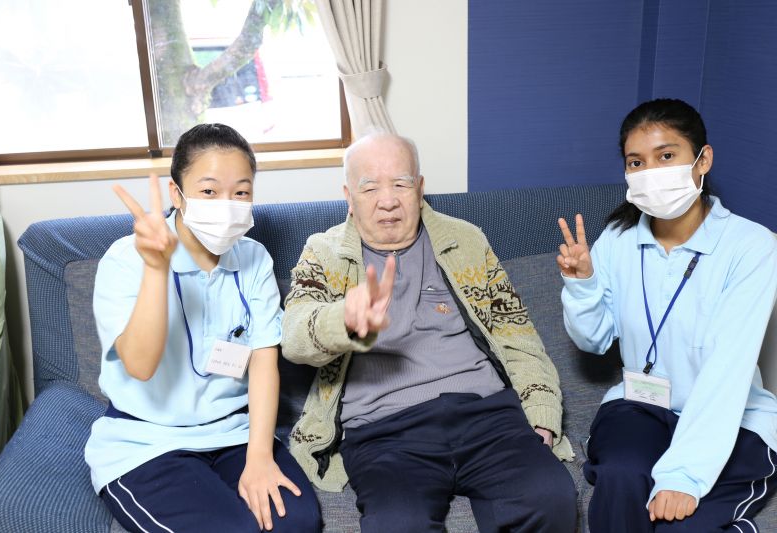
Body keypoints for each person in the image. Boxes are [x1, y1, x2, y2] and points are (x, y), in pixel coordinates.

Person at [282, 131, 577, 532]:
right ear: (348, 196)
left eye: (401, 184)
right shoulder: (324, 252)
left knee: (551, 496)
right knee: (397, 524)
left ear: (420, 188)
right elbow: (294, 337)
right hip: (385, 430)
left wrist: (541, 414)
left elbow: (517, 335)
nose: (388, 200)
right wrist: (343, 320)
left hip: (486, 417)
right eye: (370, 188)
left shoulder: (465, 240)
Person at [84, 123, 321, 533]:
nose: (227, 205)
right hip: (148, 443)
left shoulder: (254, 259)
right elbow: (139, 366)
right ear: (177, 195)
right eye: (209, 191)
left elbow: (264, 363)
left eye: (241, 192)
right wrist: (156, 268)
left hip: (233, 432)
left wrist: (259, 458)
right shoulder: (124, 261)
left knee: (296, 522)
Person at [558, 98, 777, 532]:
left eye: (666, 156)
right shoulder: (617, 238)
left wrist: (684, 476)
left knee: (680, 523)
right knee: (620, 476)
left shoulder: (752, 247)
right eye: (636, 162)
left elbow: (728, 368)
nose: (651, 172)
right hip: (640, 404)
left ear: (702, 160)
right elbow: (594, 341)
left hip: (734, 414)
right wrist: (581, 284)